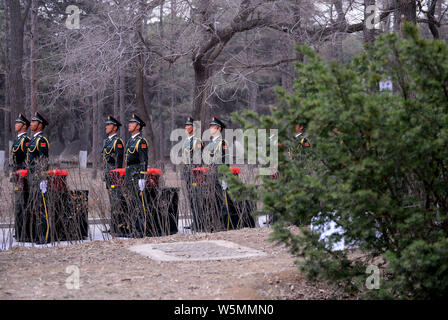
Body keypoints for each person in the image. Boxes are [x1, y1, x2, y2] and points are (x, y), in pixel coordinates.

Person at [26, 111, 50, 244]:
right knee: (36, 206)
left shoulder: (41, 140)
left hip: (39, 178)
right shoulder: (33, 140)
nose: (31, 123)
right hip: (32, 178)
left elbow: (44, 160)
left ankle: (45, 235)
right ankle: (38, 233)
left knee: (42, 207)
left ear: (40, 125)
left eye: (34, 122)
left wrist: (43, 179)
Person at [124, 113, 149, 237]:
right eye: (129, 123)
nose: (129, 125)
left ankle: (141, 230)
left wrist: (142, 178)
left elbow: (144, 160)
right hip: (129, 175)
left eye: (132, 123)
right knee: (132, 204)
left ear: (138, 126)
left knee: (140, 204)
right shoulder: (130, 141)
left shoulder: (141, 141)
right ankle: (134, 229)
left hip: (137, 175)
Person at [102, 115, 125, 236]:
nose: (106, 126)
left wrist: (117, 176)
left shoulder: (118, 141)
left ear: (115, 128)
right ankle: (113, 226)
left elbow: (119, 162)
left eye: (109, 125)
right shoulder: (107, 141)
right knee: (112, 201)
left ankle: (118, 227)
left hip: (115, 176)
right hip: (108, 175)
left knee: (117, 201)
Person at [11, 113, 31, 241]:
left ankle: (23, 232)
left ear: (24, 126)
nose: (15, 125)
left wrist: (24, 175)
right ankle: (18, 230)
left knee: (22, 204)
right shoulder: (18, 139)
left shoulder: (26, 140)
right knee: (18, 204)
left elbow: (28, 160)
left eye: (18, 123)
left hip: (22, 176)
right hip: (16, 174)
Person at [181, 116, 203, 230]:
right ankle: (195, 220)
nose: (186, 127)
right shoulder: (186, 141)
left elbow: (198, 159)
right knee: (191, 198)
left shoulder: (197, 141)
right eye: (186, 125)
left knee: (196, 197)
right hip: (187, 173)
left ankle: (199, 221)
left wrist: (194, 172)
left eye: (188, 125)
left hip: (195, 174)